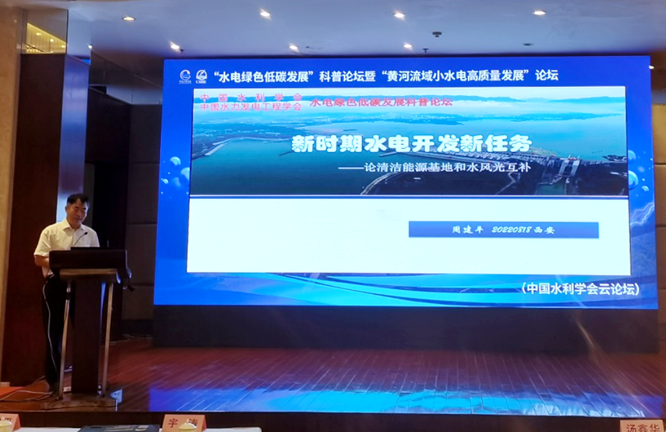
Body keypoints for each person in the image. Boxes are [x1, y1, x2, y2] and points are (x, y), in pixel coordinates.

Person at [34, 193, 100, 391]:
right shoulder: (51, 231)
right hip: (56, 284)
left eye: (84, 210)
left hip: (84, 287)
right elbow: (39, 258)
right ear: (67, 209)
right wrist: (63, 263)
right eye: (76, 209)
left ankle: (86, 380)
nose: (80, 213)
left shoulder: (90, 234)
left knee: (85, 332)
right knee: (53, 332)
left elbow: (97, 260)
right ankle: (54, 381)